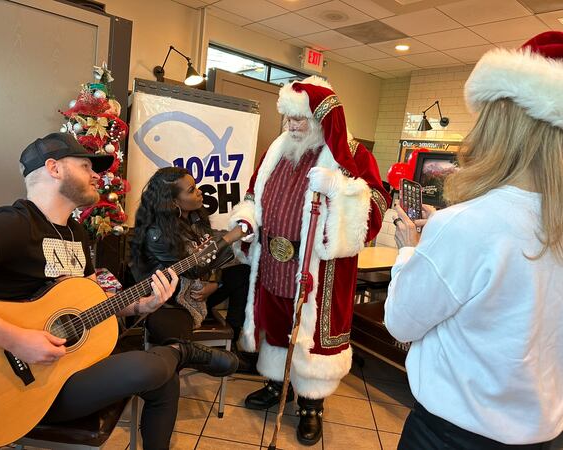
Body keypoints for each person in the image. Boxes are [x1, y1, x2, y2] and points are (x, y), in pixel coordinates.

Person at [0, 133, 238, 450]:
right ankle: (183, 351)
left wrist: (138, 307)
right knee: (148, 365)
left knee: (164, 379)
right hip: (21, 387)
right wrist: (16, 339)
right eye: (85, 166)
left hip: (68, 371)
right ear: (54, 168)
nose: (97, 175)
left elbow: (92, 301)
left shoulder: (75, 232)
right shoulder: (13, 224)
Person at [384, 31, 563, 449]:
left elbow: (401, 322)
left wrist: (411, 248)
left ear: (502, 123)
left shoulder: (466, 225)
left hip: (451, 436)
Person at [228, 76, 390, 445]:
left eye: (299, 119)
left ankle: (311, 404)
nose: (291, 126)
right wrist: (247, 218)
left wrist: (340, 190)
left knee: (312, 336)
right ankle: (275, 382)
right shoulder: (278, 148)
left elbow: (378, 205)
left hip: (319, 270)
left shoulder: (353, 156)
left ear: (321, 118)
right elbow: (255, 193)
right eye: (287, 118)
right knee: (276, 321)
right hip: (273, 261)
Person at [130, 167, 254, 369]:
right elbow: (193, 267)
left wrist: (216, 283)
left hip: (197, 290)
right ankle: (191, 357)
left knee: (242, 272)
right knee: (174, 347)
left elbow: (209, 250)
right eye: (191, 190)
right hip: (171, 302)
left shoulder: (195, 217)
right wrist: (230, 237)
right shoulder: (157, 233)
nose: (199, 192)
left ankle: (231, 346)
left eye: (195, 186)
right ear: (173, 202)